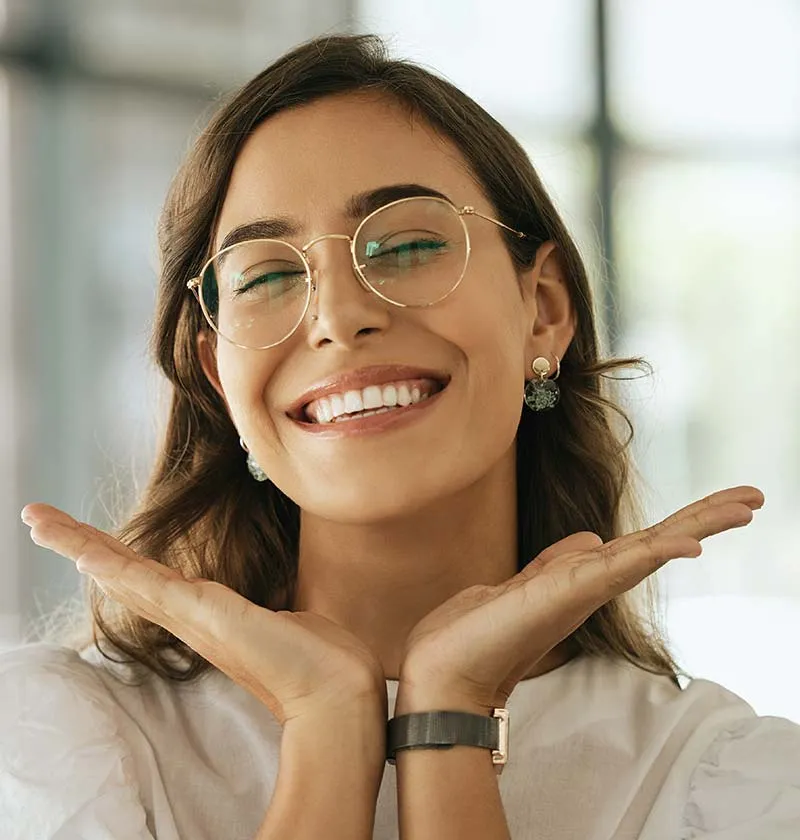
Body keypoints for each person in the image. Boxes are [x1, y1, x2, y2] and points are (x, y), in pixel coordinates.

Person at [1, 33, 798, 840]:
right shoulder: (55, 753)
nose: (340, 315)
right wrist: (323, 731)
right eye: (268, 276)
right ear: (219, 376)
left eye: (408, 245)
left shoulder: (729, 787)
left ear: (545, 308)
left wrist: (449, 722)